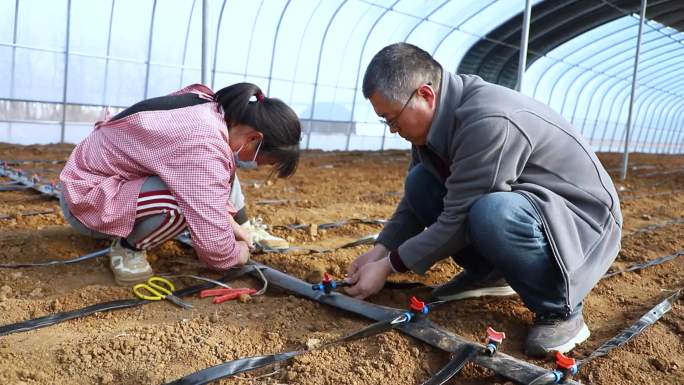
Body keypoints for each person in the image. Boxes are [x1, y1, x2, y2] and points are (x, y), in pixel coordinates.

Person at [344, 43, 622, 357]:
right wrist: (380, 249)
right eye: (387, 122)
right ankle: (489, 274)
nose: (393, 130)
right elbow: (414, 203)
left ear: (425, 94)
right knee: (420, 182)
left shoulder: (488, 119)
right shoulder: (430, 127)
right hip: (532, 210)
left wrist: (388, 266)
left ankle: (561, 307)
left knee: (491, 213)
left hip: (581, 223)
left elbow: (457, 219)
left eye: (393, 119)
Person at [59, 83, 301, 286]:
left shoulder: (212, 112)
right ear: (254, 138)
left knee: (216, 171)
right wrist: (237, 254)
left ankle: (245, 227)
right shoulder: (204, 143)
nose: (257, 165)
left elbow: (208, 184)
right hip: (85, 200)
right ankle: (127, 249)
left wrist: (234, 225)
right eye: (261, 159)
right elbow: (215, 252)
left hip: (105, 182)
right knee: (185, 204)